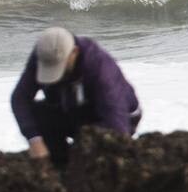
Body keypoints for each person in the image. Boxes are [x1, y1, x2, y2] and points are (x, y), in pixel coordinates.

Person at [11, 27, 140, 165]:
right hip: (73, 110)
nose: (54, 76)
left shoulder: (100, 69)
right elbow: (19, 98)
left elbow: (117, 123)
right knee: (38, 114)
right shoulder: (44, 55)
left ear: (74, 52)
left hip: (115, 117)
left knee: (95, 149)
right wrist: (34, 139)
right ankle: (59, 163)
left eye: (58, 67)